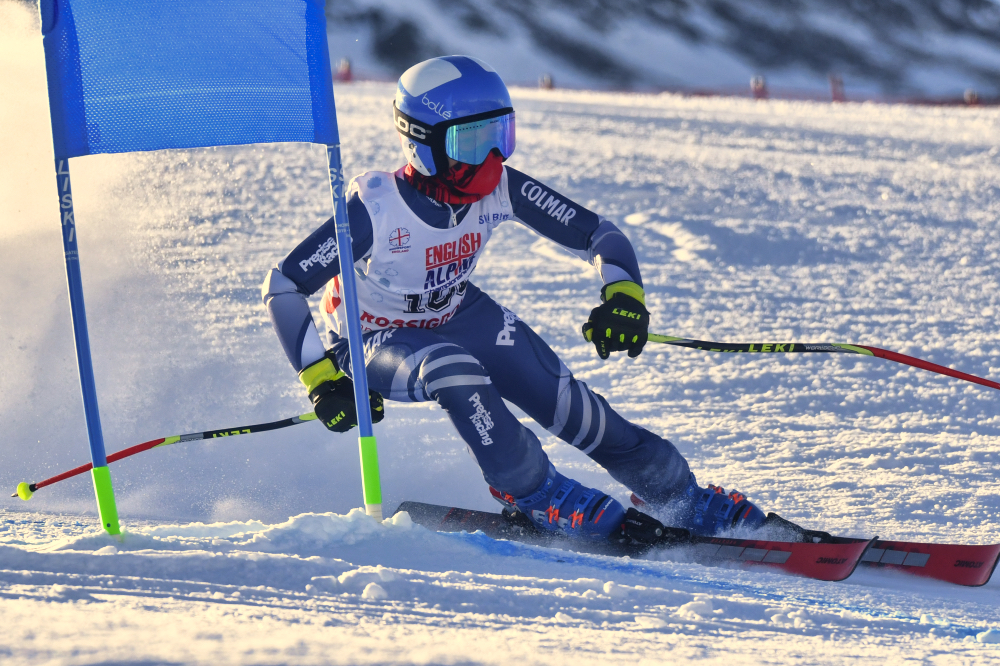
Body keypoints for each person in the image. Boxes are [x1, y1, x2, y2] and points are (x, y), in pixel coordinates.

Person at [262, 55, 768, 542]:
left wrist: (624, 296)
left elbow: (600, 235)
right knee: (449, 367)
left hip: (456, 310)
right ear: (423, 142)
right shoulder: (376, 210)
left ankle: (681, 497)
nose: (491, 159)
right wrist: (321, 377)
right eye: (471, 141)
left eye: (499, 136)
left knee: (568, 402)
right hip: (372, 337)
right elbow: (283, 285)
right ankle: (536, 493)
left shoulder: (498, 185)